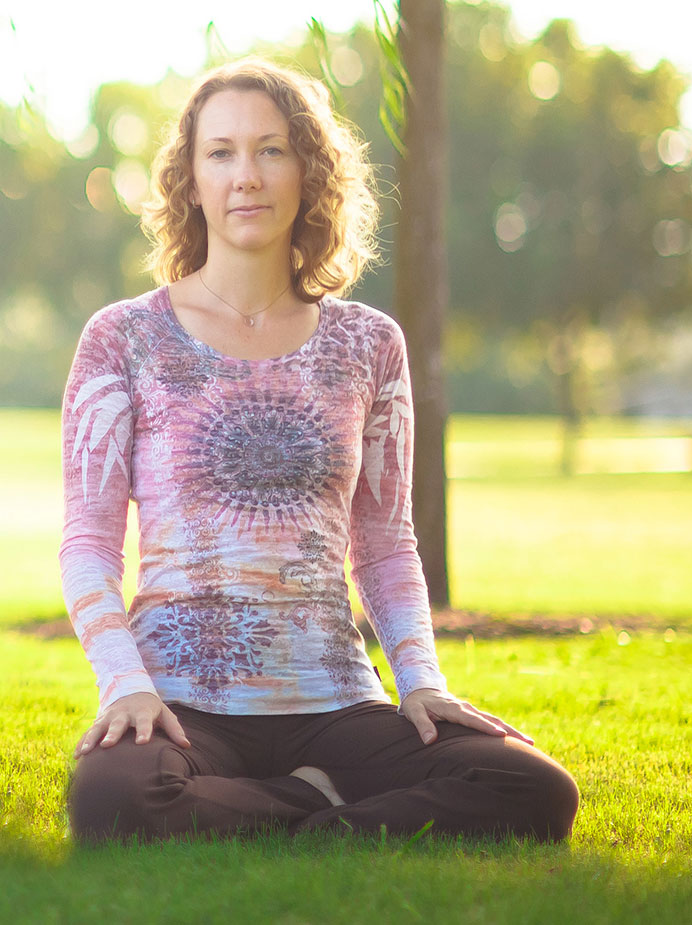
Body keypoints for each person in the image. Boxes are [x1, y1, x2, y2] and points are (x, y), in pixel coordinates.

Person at [60, 57, 578, 844]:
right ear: (190, 180)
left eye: (271, 149)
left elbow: (386, 543)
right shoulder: (122, 338)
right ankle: (314, 806)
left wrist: (421, 681)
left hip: (336, 701)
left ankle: (285, 810)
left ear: (308, 173)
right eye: (221, 152)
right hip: (182, 703)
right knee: (111, 799)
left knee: (535, 787)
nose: (247, 175)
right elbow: (90, 544)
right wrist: (125, 683)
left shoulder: (369, 343)